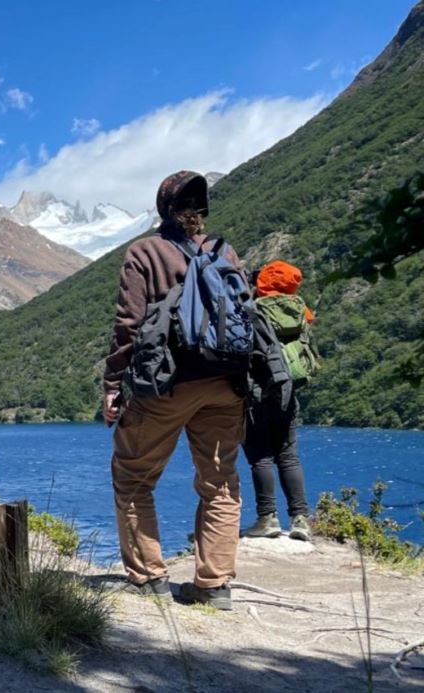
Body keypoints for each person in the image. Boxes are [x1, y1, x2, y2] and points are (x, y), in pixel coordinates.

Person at [102, 171, 246, 611]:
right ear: (202, 211)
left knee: (133, 478)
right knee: (220, 484)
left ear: (163, 208)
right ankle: (213, 586)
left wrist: (113, 384)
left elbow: (129, 325)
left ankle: (148, 578)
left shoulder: (145, 251)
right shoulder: (224, 251)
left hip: (167, 384)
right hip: (227, 383)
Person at [243, 261, 316, 541]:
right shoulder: (299, 310)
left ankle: (267, 519)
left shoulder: (253, 309)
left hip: (257, 391)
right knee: (288, 455)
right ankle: (300, 519)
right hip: (289, 391)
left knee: (261, 457)